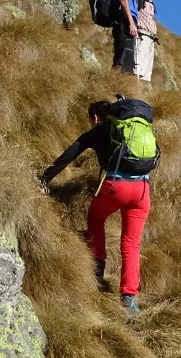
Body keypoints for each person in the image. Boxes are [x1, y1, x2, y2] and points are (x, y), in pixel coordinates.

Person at [39, 100, 153, 313]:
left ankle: (98, 266)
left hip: (116, 186)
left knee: (95, 219)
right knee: (131, 244)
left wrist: (43, 179)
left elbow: (68, 156)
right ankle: (129, 297)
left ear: (95, 118)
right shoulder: (132, 131)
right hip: (143, 188)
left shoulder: (96, 132)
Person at [112, 0, 145, 74]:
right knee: (122, 57)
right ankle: (115, 85)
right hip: (124, 20)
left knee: (128, 58)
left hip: (127, 20)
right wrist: (131, 23)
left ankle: (122, 88)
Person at [133, 0, 164, 83]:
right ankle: (129, 92)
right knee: (136, 70)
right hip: (140, 36)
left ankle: (137, 95)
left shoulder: (150, 2)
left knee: (145, 75)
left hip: (149, 40)